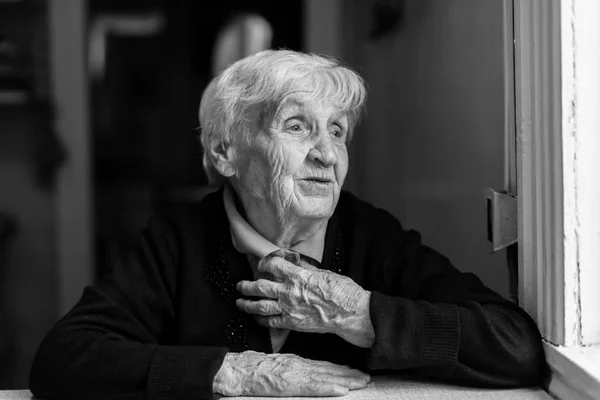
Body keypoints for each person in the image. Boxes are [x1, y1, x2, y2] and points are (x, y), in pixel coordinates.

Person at [29, 50, 547, 399]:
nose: (327, 154)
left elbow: (515, 346)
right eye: (297, 127)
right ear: (225, 152)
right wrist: (236, 372)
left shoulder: (371, 236)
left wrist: (356, 312)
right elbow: (64, 360)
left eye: (338, 132)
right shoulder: (178, 241)